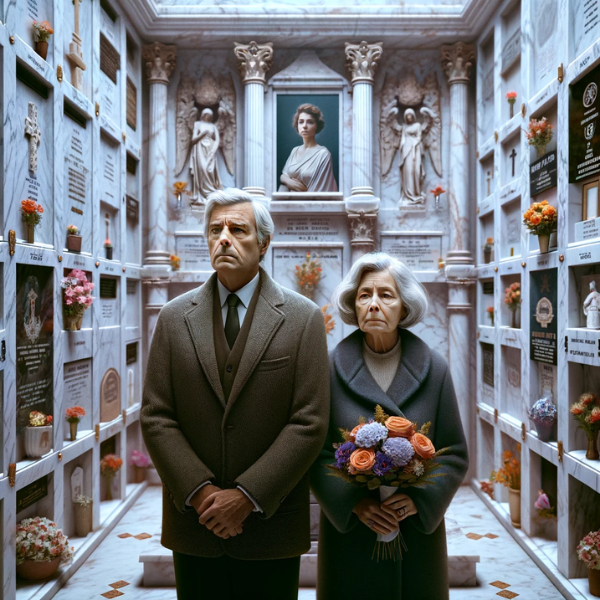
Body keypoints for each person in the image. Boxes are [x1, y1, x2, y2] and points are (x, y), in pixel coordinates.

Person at [141, 187, 330, 600]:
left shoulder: (302, 319)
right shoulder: (174, 319)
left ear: (263, 243)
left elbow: (310, 421)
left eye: (237, 229)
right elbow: (157, 416)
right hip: (195, 523)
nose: (223, 237)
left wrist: (247, 496)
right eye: (215, 230)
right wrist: (202, 492)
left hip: (270, 526)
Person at [310, 252, 468, 599]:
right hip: (352, 535)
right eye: (364, 295)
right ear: (354, 304)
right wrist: (353, 503)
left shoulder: (435, 368)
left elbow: (454, 453)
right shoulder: (330, 367)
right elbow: (316, 452)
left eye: (386, 295)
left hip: (414, 535)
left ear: (404, 306)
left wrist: (419, 499)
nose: (374, 304)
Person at [279, 103, 338, 193]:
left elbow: (321, 190)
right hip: (288, 202)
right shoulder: (295, 150)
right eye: (301, 122)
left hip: (309, 204)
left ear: (316, 126)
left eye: (310, 122)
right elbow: (284, 175)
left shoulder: (323, 154)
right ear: (297, 125)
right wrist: (289, 182)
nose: (304, 126)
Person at [189, 107, 222, 201]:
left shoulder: (213, 126)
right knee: (202, 169)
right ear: (203, 115)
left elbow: (217, 141)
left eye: (210, 116)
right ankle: (201, 194)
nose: (208, 117)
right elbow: (193, 140)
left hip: (211, 150)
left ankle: (211, 194)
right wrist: (203, 134)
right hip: (200, 149)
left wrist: (213, 151)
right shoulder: (197, 124)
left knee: (210, 170)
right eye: (206, 115)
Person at [398, 108, 426, 205]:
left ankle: (417, 194)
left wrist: (414, 143)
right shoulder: (404, 126)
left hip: (415, 149)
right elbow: (402, 138)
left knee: (416, 171)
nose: (409, 117)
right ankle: (408, 195)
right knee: (408, 171)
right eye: (407, 115)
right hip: (406, 150)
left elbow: (419, 136)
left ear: (413, 116)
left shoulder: (418, 125)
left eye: (410, 115)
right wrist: (401, 148)